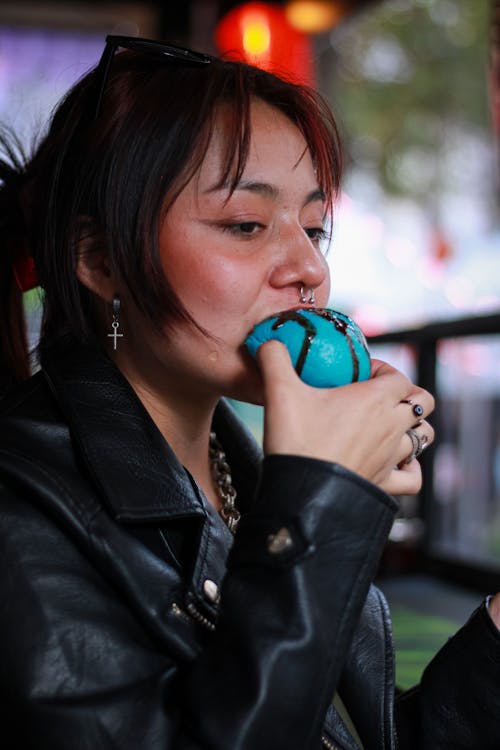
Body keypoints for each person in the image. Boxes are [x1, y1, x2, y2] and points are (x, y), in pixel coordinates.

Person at [0, 34, 498, 750]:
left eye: (316, 228)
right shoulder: (23, 516)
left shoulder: (247, 474)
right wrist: (321, 510)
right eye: (245, 225)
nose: (307, 269)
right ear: (99, 260)